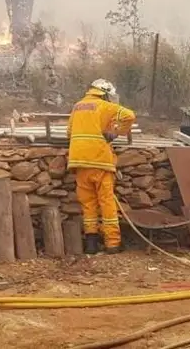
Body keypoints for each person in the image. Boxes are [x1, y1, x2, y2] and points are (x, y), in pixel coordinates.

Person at [66, 79, 136, 255]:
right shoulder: (104, 105)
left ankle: (91, 243)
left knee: (88, 203)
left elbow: (69, 132)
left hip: (78, 160)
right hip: (99, 161)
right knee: (106, 202)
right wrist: (116, 132)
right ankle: (112, 243)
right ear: (105, 93)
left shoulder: (78, 106)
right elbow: (129, 115)